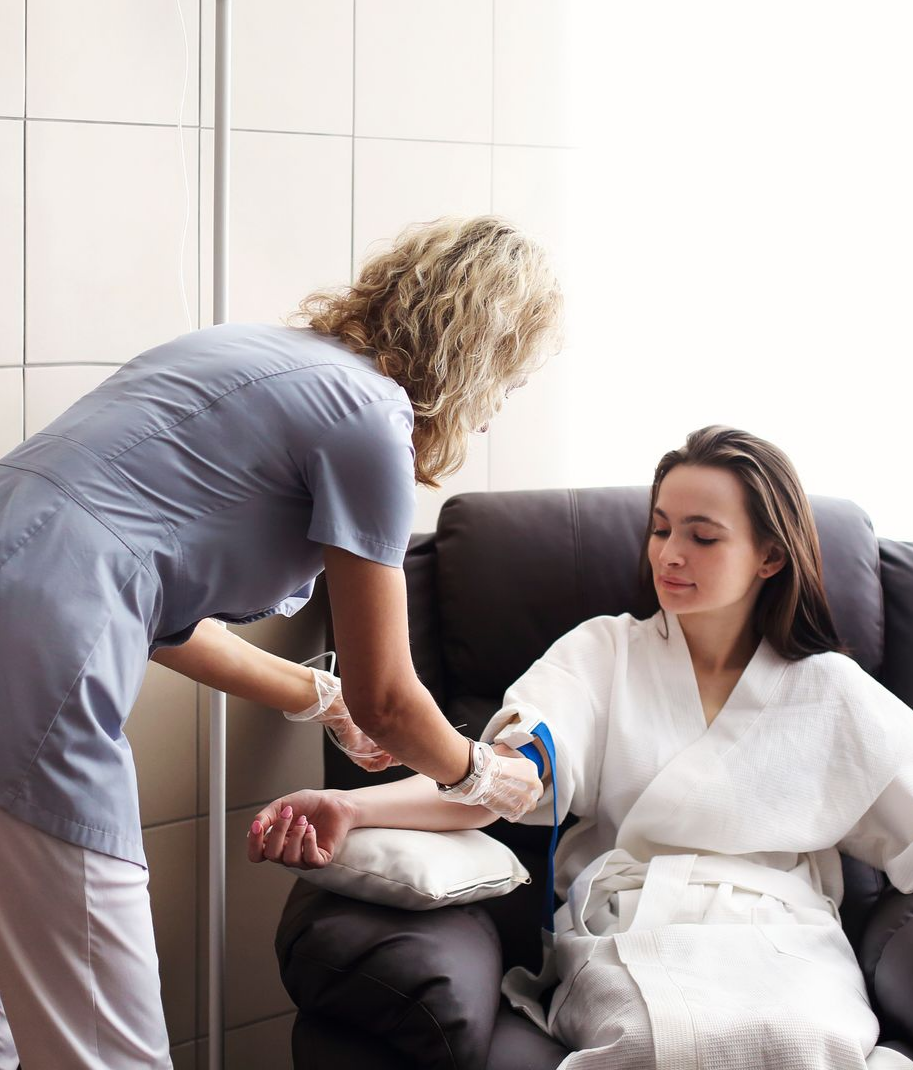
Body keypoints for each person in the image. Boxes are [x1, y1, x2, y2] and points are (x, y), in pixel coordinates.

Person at [0, 215, 558, 1070]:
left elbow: (147, 602)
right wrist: (485, 776)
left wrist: (318, 697)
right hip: (37, 659)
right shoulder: (373, 419)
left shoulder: (243, 351)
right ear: (483, 356)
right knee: (105, 1044)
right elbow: (391, 695)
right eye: (511, 385)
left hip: (31, 602)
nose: (492, 414)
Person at [250, 426, 913, 1070]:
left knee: (807, 1038)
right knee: (667, 1042)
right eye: (660, 528)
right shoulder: (600, 653)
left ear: (769, 556)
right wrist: (353, 805)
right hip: (639, 924)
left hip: (785, 938)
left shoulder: (828, 690)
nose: (668, 553)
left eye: (701, 535)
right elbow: (498, 781)